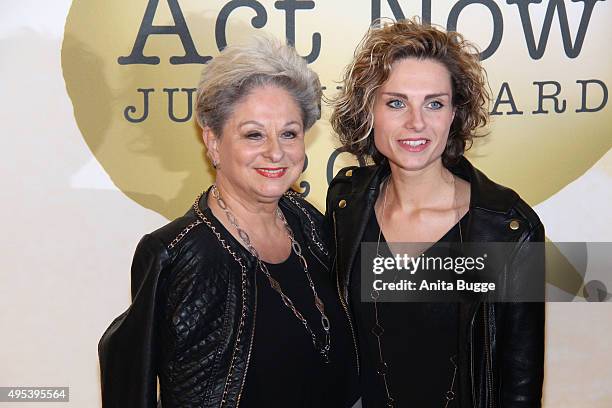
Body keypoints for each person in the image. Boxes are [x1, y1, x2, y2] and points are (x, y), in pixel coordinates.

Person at [99, 37, 358, 408]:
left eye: (289, 133)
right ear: (214, 142)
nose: (275, 151)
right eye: (254, 134)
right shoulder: (176, 255)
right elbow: (129, 386)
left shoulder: (310, 223)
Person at [326, 19, 545, 407]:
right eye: (396, 102)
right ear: (368, 109)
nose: (416, 122)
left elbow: (519, 383)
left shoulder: (507, 230)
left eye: (434, 103)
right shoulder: (347, 205)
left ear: (454, 114)